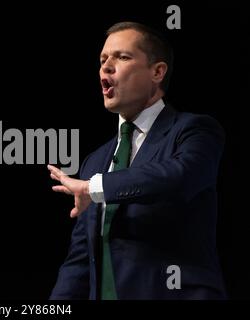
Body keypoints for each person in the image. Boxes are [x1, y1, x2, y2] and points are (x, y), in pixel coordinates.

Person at [47, 21, 227, 300]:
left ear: (157, 72)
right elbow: (81, 262)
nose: (106, 67)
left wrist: (94, 187)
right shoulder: (95, 162)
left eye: (122, 57)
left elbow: (180, 177)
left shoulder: (194, 130)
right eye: (103, 59)